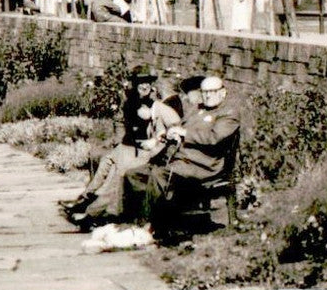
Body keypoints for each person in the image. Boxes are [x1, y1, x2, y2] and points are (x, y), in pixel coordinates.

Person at [116, 74, 239, 235]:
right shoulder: (198, 110)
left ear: (222, 92)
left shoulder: (228, 113)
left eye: (213, 91)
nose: (208, 95)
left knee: (159, 175)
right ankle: (133, 220)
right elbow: (179, 126)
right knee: (134, 174)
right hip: (180, 161)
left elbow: (213, 138)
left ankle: (150, 226)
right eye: (205, 91)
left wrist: (184, 133)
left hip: (203, 165)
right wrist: (169, 133)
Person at [65, 69, 182, 225]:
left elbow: (175, 128)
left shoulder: (160, 107)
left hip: (146, 152)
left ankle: (95, 213)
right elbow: (122, 122)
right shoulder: (132, 102)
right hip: (133, 146)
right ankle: (89, 201)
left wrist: (156, 139)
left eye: (148, 82)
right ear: (134, 85)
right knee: (107, 162)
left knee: (118, 173)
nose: (145, 86)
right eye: (140, 83)